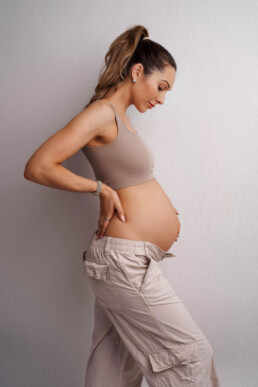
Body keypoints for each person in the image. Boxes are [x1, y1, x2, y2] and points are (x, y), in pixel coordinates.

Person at [24, 25, 220, 387]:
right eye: (161, 87)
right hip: (123, 263)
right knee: (191, 355)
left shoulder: (122, 118)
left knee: (113, 370)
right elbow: (38, 166)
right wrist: (100, 189)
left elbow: (133, 181)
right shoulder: (102, 113)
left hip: (128, 260)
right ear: (137, 72)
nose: (161, 99)